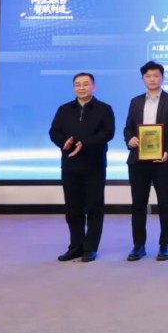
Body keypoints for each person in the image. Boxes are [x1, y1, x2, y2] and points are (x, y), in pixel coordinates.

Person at [49, 72, 115, 263]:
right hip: (70, 165)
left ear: (94, 87)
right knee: (73, 208)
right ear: (73, 88)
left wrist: (83, 143)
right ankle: (75, 246)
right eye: (77, 84)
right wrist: (65, 142)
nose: (81, 87)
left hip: (94, 165)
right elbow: (54, 132)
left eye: (86, 84)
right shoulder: (64, 109)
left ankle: (90, 247)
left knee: (94, 207)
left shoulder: (104, 109)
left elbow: (108, 133)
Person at [123, 61, 168, 262]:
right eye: (148, 76)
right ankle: (138, 245)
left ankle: (165, 244)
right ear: (143, 79)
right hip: (139, 160)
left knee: (165, 202)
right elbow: (128, 128)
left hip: (163, 160)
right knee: (138, 204)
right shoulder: (135, 102)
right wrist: (130, 139)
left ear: (162, 78)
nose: (152, 79)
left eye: (156, 75)